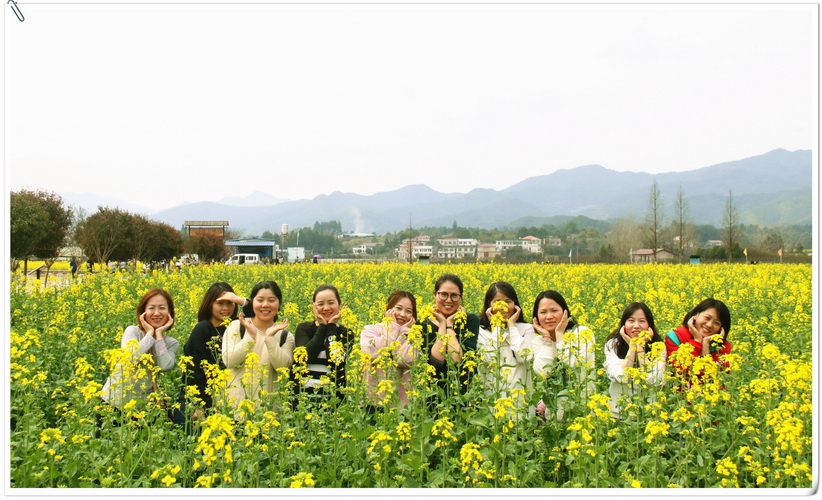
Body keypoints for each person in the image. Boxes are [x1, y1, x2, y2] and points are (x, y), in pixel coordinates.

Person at [172, 282, 246, 428]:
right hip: (198, 398)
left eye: (230, 303)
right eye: (220, 303)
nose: (225, 308)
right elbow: (193, 370)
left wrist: (241, 300)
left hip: (226, 400)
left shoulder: (238, 327)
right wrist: (198, 405)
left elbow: (262, 314)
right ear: (209, 305)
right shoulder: (203, 329)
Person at [222, 280, 295, 419]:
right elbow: (229, 361)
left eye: (271, 300)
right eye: (260, 300)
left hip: (269, 415)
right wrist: (250, 337)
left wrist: (270, 338)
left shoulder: (285, 336)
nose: (265, 305)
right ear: (252, 303)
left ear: (279, 304)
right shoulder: (237, 327)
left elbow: (283, 367)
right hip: (236, 413)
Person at [100, 289, 179, 414]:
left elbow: (165, 365)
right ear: (143, 312)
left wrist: (158, 335)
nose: (157, 313)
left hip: (144, 408)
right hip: (115, 403)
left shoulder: (171, 343)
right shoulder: (133, 331)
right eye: (151, 308)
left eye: (162, 308)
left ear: (170, 312)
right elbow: (130, 358)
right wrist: (149, 334)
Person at [531, 290, 595, 420]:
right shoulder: (539, 341)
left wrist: (559, 335)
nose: (549, 316)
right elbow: (544, 372)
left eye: (554, 311)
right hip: (554, 417)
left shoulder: (582, 333)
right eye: (543, 312)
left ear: (565, 312)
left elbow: (574, 363)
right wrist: (547, 339)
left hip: (582, 412)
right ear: (536, 317)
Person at [603, 302, 666, 417]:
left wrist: (640, 348)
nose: (636, 326)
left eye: (642, 321)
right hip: (618, 414)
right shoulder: (613, 345)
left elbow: (655, 379)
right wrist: (632, 346)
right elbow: (620, 376)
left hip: (649, 415)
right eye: (631, 321)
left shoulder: (659, 346)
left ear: (649, 325)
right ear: (624, 324)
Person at [293, 284, 354, 403]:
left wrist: (331, 327)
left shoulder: (346, 333)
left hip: (334, 403)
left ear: (339, 305)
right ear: (314, 307)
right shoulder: (304, 328)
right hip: (302, 402)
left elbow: (336, 361)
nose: (326, 308)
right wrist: (322, 327)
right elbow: (306, 357)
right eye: (320, 304)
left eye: (331, 303)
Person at [421, 273, 479, 396]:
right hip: (433, 395)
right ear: (435, 295)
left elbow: (455, 359)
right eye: (443, 294)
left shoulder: (470, 320)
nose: (448, 300)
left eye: (454, 296)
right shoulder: (422, 324)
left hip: (463, 396)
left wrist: (449, 325)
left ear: (461, 297)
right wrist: (443, 324)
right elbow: (437, 361)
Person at [360, 291, 420, 408]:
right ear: (387, 309)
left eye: (408, 311)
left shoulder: (413, 336)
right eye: (398, 308)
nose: (402, 314)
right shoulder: (370, 330)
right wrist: (392, 327)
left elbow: (404, 359)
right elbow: (374, 354)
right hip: (373, 402)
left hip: (401, 406)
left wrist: (404, 332)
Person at [477, 281, 534, 401]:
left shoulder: (526, 329)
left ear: (515, 304)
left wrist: (511, 326)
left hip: (521, 400)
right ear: (489, 305)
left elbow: (524, 357)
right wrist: (496, 326)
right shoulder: (481, 331)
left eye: (508, 302)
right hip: (492, 400)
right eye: (497, 302)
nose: (503, 307)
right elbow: (491, 359)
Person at [665, 298, 732, 387]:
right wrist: (697, 341)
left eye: (716, 323)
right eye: (707, 318)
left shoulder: (722, 347)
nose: (709, 325)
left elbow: (714, 377)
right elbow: (683, 370)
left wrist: (706, 346)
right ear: (696, 315)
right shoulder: (675, 337)